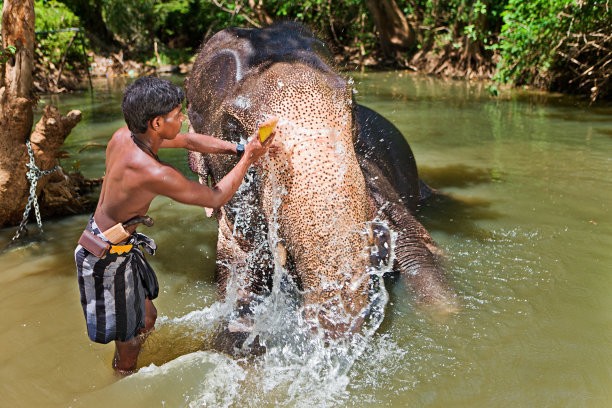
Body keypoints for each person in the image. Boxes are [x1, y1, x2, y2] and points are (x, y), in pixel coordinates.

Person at [74, 77, 276, 375]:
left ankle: (131, 353)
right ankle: (122, 380)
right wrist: (249, 159)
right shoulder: (152, 172)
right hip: (104, 257)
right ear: (156, 123)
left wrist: (240, 147)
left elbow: (192, 141)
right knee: (128, 342)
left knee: (147, 318)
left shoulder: (124, 136)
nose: (182, 119)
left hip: (115, 244)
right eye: (177, 115)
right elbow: (216, 196)